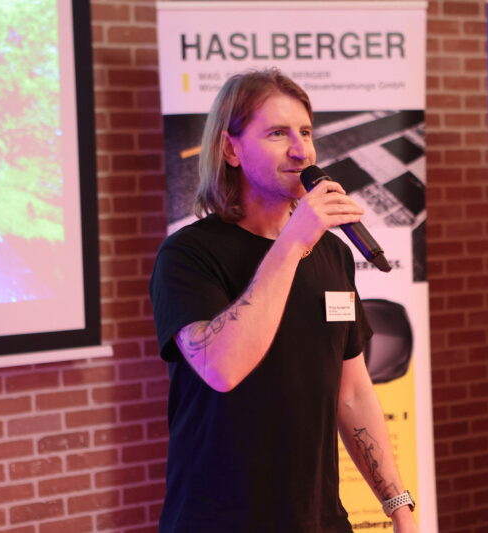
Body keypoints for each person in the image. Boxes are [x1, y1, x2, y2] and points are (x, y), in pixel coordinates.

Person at [150, 68, 418, 533]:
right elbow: (222, 367)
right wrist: (292, 242)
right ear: (231, 150)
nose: (301, 150)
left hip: (319, 520)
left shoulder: (332, 252)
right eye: (278, 134)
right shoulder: (188, 254)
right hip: (219, 522)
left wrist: (399, 506)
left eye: (306, 133)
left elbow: (353, 392)